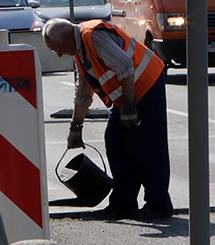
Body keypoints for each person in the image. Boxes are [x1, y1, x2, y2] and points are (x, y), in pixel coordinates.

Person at [43, 18, 174, 220]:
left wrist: (130, 105)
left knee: (147, 146)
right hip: (125, 97)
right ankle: (123, 203)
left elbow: (125, 67)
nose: (59, 54)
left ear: (67, 36)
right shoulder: (79, 51)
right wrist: (75, 127)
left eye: (58, 48)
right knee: (115, 141)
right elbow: (83, 92)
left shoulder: (94, 36)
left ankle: (159, 204)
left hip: (146, 86)